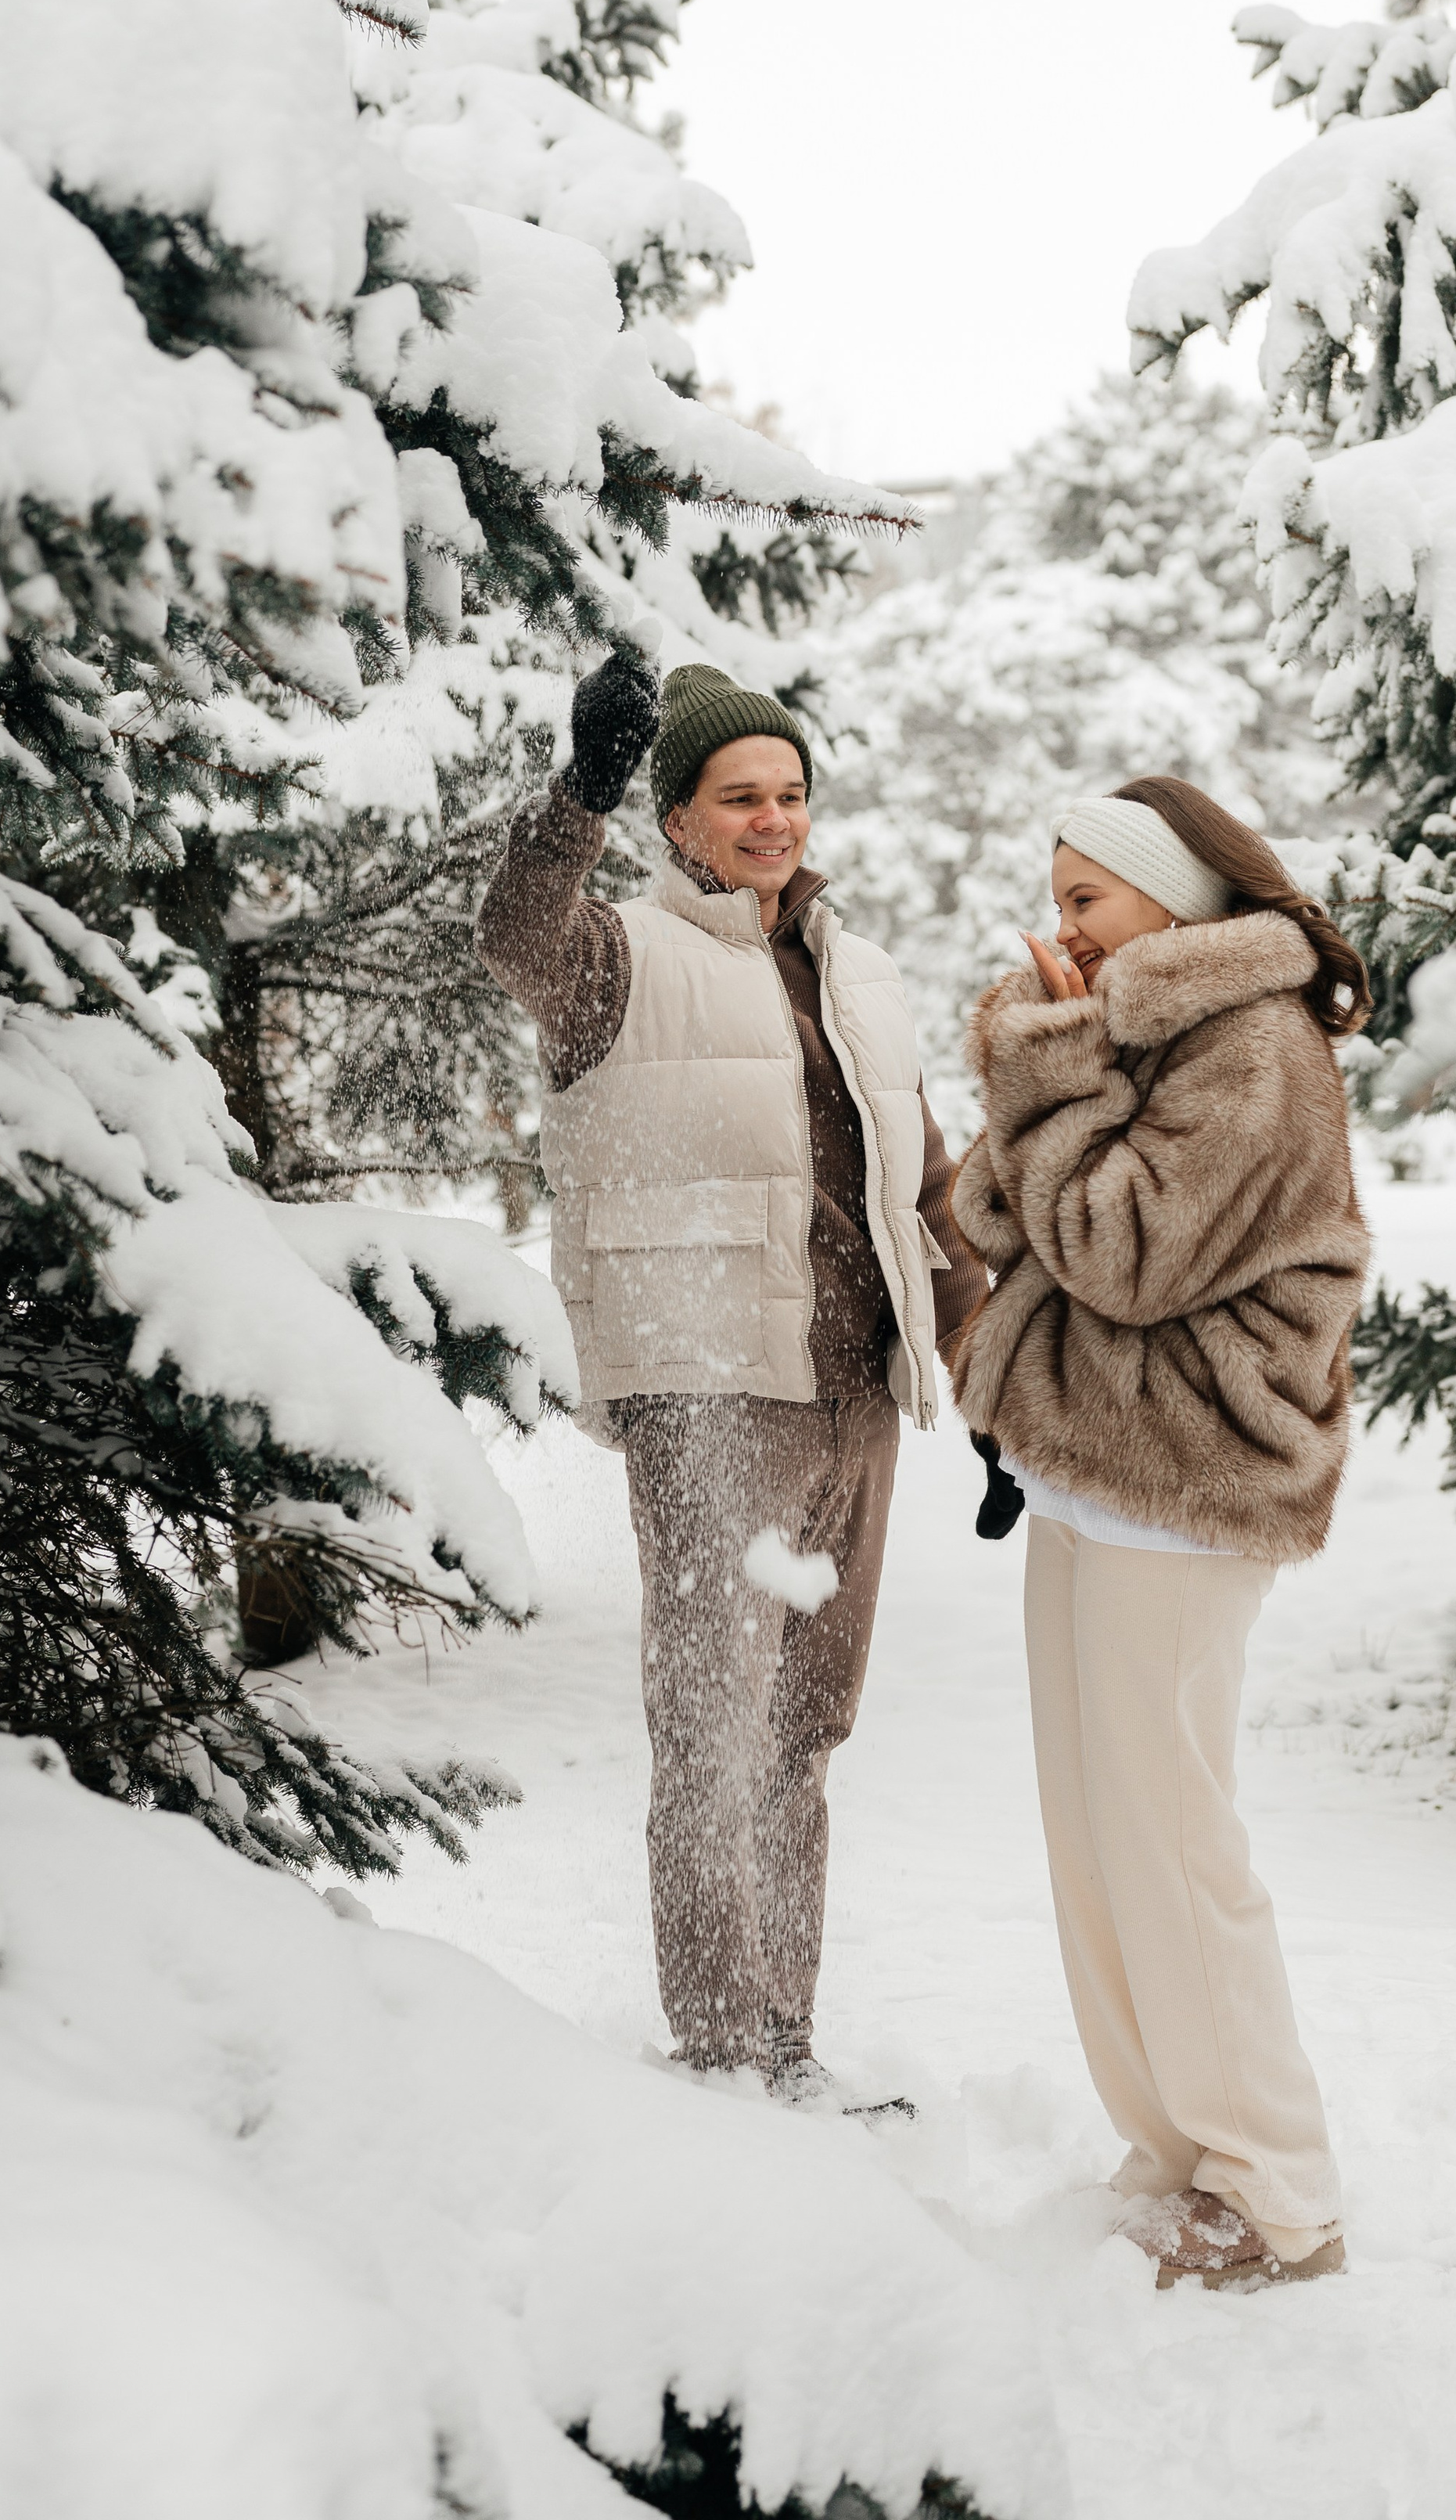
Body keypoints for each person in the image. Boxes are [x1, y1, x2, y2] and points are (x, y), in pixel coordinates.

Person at [476, 651, 986, 2100]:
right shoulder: (618, 959)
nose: (774, 820)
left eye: (792, 793)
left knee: (805, 1733)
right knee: (714, 1729)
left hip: (854, 1395)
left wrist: (977, 1358)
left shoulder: (856, 972)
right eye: (738, 797)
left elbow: (922, 1192)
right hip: (712, 1389)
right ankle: (718, 2055)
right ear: (677, 821)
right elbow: (514, 929)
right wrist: (576, 791)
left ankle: (786, 2044)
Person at [949, 776, 1372, 2290]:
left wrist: (1048, 1060)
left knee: (1177, 1840)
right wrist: (1050, 1056)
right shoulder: (1134, 1028)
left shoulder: (1252, 1045)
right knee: (1098, 1836)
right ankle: (1177, 2148)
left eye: (1087, 900)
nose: (1059, 925)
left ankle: (1277, 2190)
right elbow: (997, 1222)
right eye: (1056, 895)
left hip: (1192, 1474)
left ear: (1177, 906)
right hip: (1088, 1463)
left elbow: (1116, 1255)